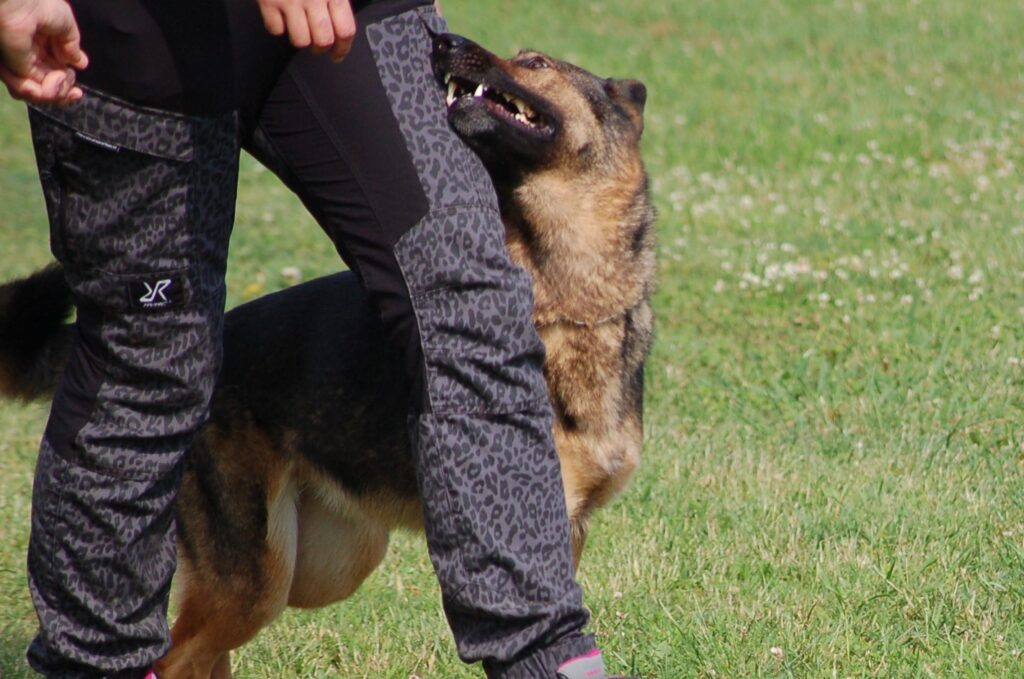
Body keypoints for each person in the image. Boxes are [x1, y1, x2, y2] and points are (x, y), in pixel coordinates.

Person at [0, 0, 632, 677]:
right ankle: (100, 667)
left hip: (354, 15)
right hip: (136, 31)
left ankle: (542, 656)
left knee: (471, 299)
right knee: (148, 359)